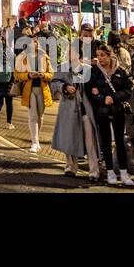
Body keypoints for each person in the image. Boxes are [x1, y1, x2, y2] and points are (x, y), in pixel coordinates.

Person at [86, 44, 134, 186]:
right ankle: (110, 172)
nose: (100, 58)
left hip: (118, 110)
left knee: (120, 141)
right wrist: (102, 98)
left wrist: (114, 97)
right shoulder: (94, 72)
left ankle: (124, 173)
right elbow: (90, 92)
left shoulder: (120, 70)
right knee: (106, 142)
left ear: (109, 55)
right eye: (98, 55)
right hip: (102, 111)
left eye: (103, 55)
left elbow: (128, 88)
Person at [51, 38, 96, 180]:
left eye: (71, 51)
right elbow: (54, 82)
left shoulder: (88, 69)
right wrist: (64, 87)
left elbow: (94, 86)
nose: (68, 53)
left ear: (78, 54)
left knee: (91, 142)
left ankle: (94, 170)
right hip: (69, 108)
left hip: (86, 110)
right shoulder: (63, 68)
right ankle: (70, 166)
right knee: (69, 138)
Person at [14, 35, 54, 152]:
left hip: (42, 89)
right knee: (33, 116)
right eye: (31, 42)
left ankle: (36, 139)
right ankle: (34, 142)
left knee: (40, 116)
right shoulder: (22, 57)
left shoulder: (44, 56)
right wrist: (28, 75)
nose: (34, 44)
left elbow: (51, 74)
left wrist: (43, 75)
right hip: (29, 90)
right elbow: (17, 74)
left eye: (36, 42)